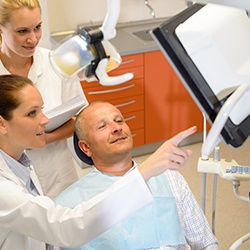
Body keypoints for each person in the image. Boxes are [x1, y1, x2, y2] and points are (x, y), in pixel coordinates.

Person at [0, 74, 200, 249]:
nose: (45, 119)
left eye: (120, 120)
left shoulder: (21, 164)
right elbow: (66, 227)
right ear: (2, 124)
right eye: (32, 113)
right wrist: (145, 171)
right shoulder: (4, 188)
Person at [55, 101, 219, 250]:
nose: (117, 128)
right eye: (102, 126)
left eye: (119, 121)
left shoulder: (170, 178)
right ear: (85, 147)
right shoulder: (70, 204)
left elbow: (206, 243)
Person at [0, 0, 88, 198]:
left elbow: (80, 120)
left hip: (58, 174)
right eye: (22, 31)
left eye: (37, 28)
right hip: (8, 182)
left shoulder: (57, 64)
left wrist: (45, 138)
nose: (33, 38)